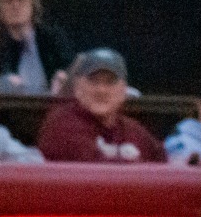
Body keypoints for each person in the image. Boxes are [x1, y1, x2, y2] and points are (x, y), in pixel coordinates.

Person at [34, 49, 164, 163]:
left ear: (124, 90)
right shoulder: (61, 125)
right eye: (93, 81)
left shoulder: (134, 131)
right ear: (77, 87)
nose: (101, 90)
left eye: (110, 82)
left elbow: (165, 166)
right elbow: (99, 176)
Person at [0, 0, 75, 95]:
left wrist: (64, 77)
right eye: (8, 2)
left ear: (32, 4)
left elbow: (71, 71)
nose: (15, 6)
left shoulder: (52, 38)